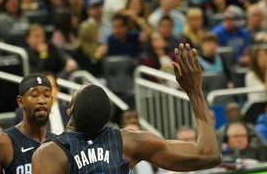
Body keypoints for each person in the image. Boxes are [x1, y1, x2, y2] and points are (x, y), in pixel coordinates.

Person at [31, 43, 222, 174]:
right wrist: (195, 92)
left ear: (69, 110)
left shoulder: (49, 153)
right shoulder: (130, 141)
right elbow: (209, 155)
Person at [0, 74, 55, 174]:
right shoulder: (1, 143)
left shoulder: (59, 144)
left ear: (52, 100)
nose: (42, 100)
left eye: (46, 95)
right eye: (34, 95)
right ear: (20, 102)